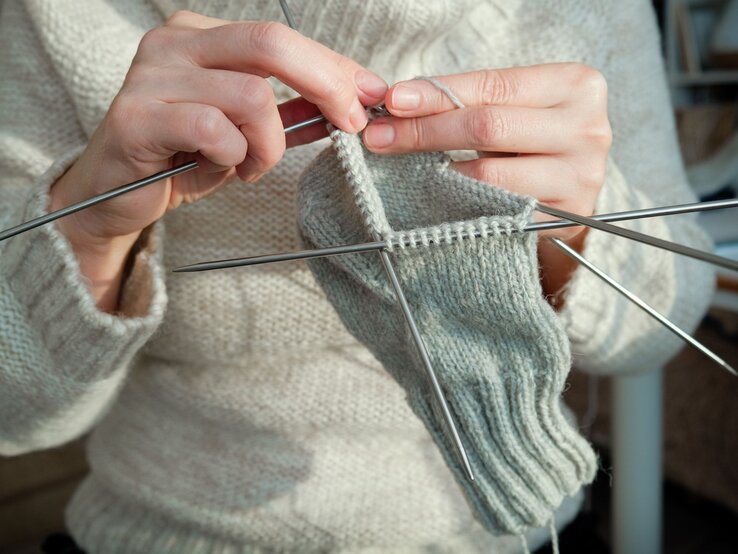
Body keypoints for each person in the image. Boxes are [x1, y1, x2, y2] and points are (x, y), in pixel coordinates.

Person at [0, 1, 713, 552]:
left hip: (513, 536)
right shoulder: (57, 15)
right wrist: (86, 224)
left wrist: (580, 225)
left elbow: (662, 318)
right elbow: (11, 416)